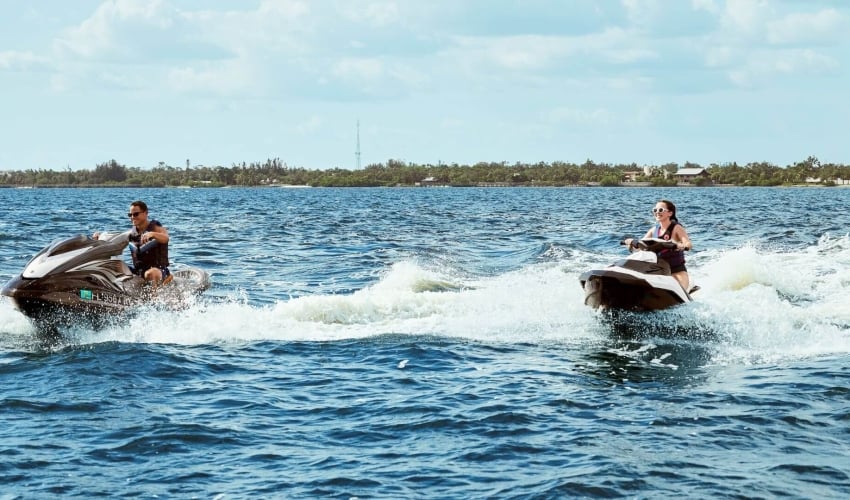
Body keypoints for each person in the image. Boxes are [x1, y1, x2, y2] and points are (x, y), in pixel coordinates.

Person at [623, 199, 693, 292]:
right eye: (655, 210)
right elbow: (642, 245)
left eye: (660, 210)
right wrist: (632, 244)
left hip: (677, 270)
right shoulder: (653, 230)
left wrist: (682, 246)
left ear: (670, 213)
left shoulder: (676, 228)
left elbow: (688, 243)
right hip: (658, 270)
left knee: (679, 289)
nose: (657, 212)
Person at [118, 200, 171, 285]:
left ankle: (154, 297)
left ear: (146, 213)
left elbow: (166, 238)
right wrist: (100, 236)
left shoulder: (155, 227)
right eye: (130, 215)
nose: (132, 217)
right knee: (115, 265)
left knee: (149, 274)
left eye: (135, 214)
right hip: (139, 271)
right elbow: (116, 237)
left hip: (159, 270)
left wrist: (153, 234)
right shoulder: (133, 232)